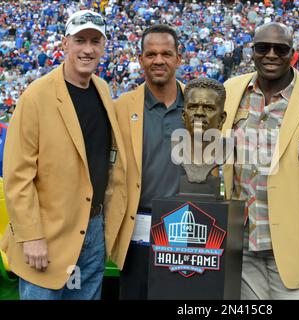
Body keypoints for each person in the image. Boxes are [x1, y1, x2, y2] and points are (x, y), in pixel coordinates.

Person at [0, 10, 127, 300]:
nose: (88, 49)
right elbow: (18, 175)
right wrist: (31, 236)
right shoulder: (36, 95)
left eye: (95, 41)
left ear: (104, 47)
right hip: (48, 233)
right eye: (80, 40)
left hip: (92, 229)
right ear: (64, 44)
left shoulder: (103, 90)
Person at [222, 22, 299, 299]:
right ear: (251, 52)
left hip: (294, 247)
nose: (271, 55)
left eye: (280, 49)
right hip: (239, 242)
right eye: (262, 48)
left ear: (292, 54)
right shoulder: (231, 91)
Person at [112, 24, 185, 300]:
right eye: (151, 54)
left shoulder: (198, 104)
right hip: (137, 229)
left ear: (179, 58)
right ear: (140, 59)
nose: (158, 60)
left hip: (184, 229)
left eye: (166, 53)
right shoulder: (122, 107)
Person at [178, 77, 227, 183]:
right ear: (183, 115)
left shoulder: (228, 150)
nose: (199, 112)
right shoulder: (176, 148)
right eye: (192, 107)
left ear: (222, 119)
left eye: (208, 108)